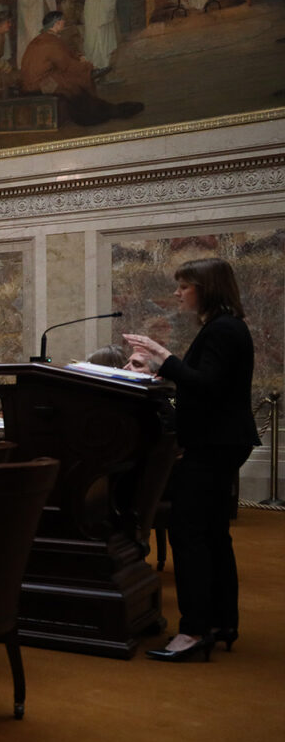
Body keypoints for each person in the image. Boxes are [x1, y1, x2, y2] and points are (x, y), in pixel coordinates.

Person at [124, 258, 258, 662]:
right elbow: (206, 384)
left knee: (190, 536)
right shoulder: (225, 327)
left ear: (206, 288)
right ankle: (221, 622)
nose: (180, 293)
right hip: (221, 441)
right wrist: (166, 369)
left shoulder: (222, 330)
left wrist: (165, 360)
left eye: (185, 286)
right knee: (213, 534)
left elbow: (209, 385)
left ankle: (194, 631)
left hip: (213, 444)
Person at [21, 12, 143, 126]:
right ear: (56, 23)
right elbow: (67, 64)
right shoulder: (50, 42)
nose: (64, 22)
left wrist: (79, 58)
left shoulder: (44, 38)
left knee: (72, 80)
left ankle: (106, 108)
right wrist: (88, 67)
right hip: (40, 84)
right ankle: (97, 113)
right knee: (74, 83)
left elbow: (65, 55)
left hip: (38, 80)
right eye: (62, 20)